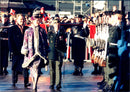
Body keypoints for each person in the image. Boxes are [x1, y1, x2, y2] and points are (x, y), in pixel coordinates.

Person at [21, 7, 49, 91]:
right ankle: (34, 82)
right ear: (33, 20)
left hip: (39, 53)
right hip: (30, 53)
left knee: (36, 70)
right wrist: (24, 50)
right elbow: (25, 42)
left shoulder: (42, 30)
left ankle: (35, 85)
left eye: (39, 19)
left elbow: (45, 42)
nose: (38, 21)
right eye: (36, 19)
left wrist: (46, 50)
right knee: (32, 70)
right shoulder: (28, 31)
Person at [8, 14, 31, 88]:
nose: (22, 21)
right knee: (15, 67)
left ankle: (26, 82)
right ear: (16, 20)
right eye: (20, 19)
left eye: (23, 19)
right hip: (16, 50)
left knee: (25, 67)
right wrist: (12, 50)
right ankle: (14, 81)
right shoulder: (12, 29)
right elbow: (10, 40)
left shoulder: (27, 28)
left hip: (24, 50)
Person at [47, 17, 66, 91]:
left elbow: (64, 44)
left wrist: (64, 52)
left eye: (58, 24)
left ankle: (58, 84)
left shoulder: (62, 33)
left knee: (58, 68)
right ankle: (52, 83)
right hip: (51, 52)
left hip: (59, 53)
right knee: (52, 69)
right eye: (55, 24)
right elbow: (47, 42)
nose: (56, 25)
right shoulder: (50, 33)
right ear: (53, 24)